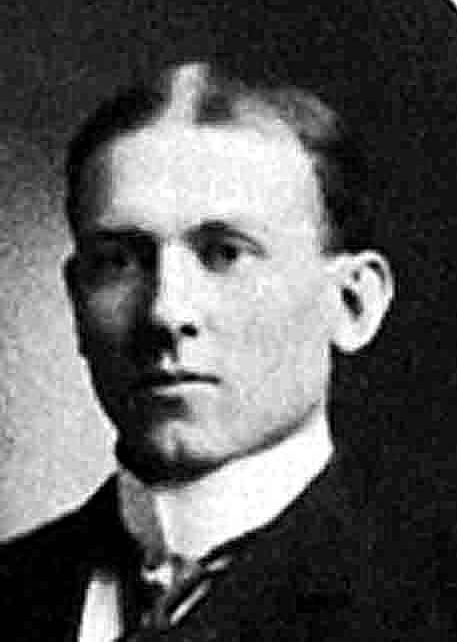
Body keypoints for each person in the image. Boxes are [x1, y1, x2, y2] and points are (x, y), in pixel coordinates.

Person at [2, 56, 424, 641]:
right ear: (76, 303)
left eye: (225, 253)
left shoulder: (424, 600)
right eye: (118, 261)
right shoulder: (13, 587)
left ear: (352, 303)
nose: (166, 312)